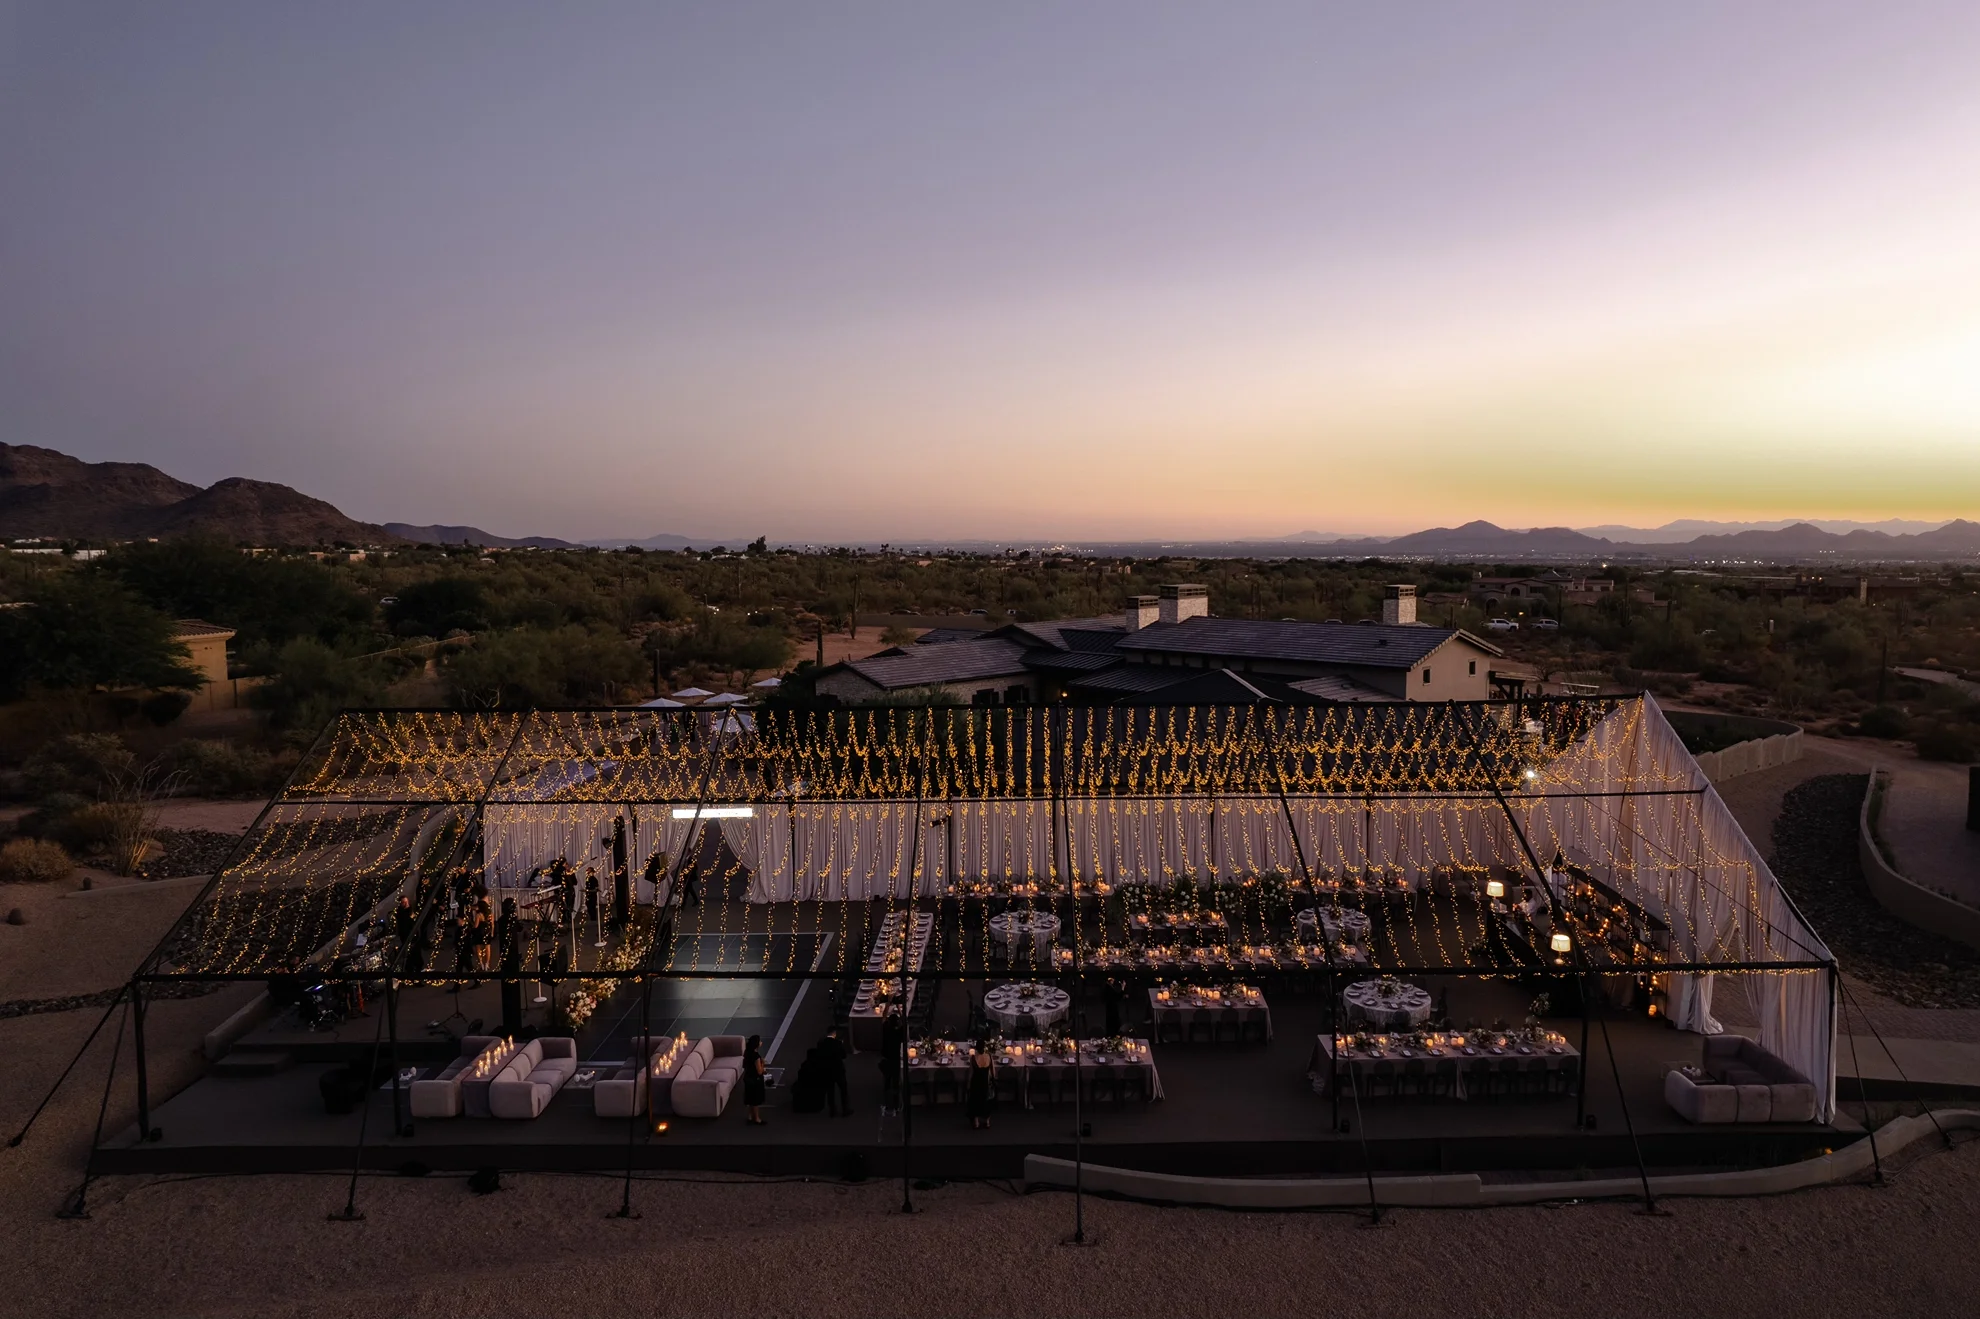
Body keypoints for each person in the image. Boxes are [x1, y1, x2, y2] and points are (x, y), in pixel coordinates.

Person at [816, 1026, 851, 1117]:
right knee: (843, 1090)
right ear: (834, 1033)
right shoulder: (838, 1043)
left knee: (830, 1091)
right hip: (838, 1069)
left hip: (827, 1070)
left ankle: (832, 1111)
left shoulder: (821, 1043)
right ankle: (845, 1109)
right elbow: (843, 1055)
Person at [878, 1006, 904, 1117]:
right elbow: (904, 1022)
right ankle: (896, 1105)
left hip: (887, 1059)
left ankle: (885, 1103)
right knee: (896, 1084)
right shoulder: (898, 1032)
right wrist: (899, 1008)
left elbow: (883, 1018)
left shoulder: (886, 1030)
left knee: (887, 1083)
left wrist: (888, 1004)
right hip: (896, 1060)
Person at [965, 1037, 996, 1131]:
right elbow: (993, 1071)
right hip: (986, 1083)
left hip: (976, 1083)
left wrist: (968, 1084)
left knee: (975, 1102)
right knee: (987, 1102)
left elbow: (971, 1072)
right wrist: (993, 1081)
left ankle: (976, 1122)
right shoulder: (989, 1056)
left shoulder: (973, 1058)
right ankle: (987, 1122)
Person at [741, 1035, 768, 1125]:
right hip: (755, 1080)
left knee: (750, 1098)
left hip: (748, 1077)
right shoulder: (756, 1056)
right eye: (760, 1041)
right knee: (755, 1100)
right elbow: (759, 1071)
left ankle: (750, 1116)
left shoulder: (747, 1052)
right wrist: (763, 1063)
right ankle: (756, 1118)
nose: (761, 1043)